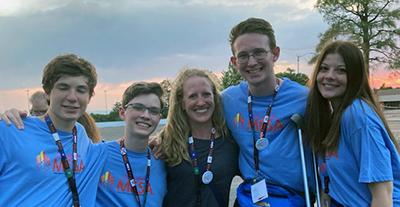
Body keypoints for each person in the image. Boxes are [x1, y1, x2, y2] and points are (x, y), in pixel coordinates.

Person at [221, 17, 314, 206]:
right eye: (243, 55)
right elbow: (195, 115)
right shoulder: (227, 99)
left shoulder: (304, 98)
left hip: (291, 197)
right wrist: (163, 137)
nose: (252, 62)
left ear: (275, 53)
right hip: (250, 196)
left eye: (259, 52)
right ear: (233, 61)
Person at [0, 54, 106, 206]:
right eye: (63, 88)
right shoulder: (12, 129)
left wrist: (153, 143)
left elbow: (127, 151)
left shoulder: (82, 136)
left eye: (81, 90)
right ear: (48, 92)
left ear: (89, 96)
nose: (72, 97)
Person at [305, 40, 400, 206]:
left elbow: (383, 193)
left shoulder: (358, 117)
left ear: (355, 77)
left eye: (341, 71)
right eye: (324, 68)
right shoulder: (335, 116)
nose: (329, 76)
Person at [157, 68, 238, 207]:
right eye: (193, 96)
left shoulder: (230, 141)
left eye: (206, 94)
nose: (201, 102)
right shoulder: (166, 142)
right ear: (182, 103)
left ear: (214, 98)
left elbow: (255, 177)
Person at [96, 82, 167, 206]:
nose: (146, 115)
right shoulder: (98, 155)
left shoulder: (164, 161)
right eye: (138, 107)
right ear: (122, 112)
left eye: (153, 111)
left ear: (159, 118)